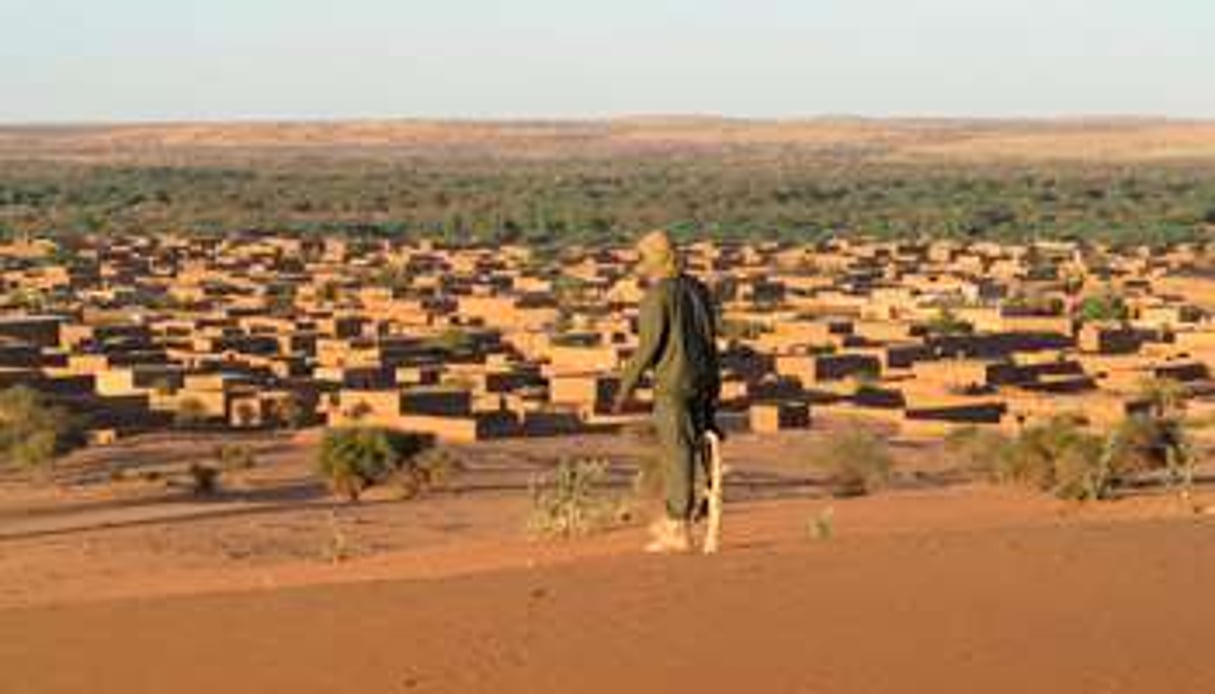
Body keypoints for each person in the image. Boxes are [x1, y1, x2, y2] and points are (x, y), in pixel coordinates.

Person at [612, 229, 721, 553]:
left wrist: (624, 388)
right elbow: (710, 340)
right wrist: (714, 387)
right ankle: (699, 513)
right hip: (702, 381)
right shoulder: (699, 291)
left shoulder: (658, 296)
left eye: (644, 258)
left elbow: (648, 348)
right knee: (700, 450)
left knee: (677, 453)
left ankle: (678, 527)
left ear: (656, 259)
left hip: (672, 385)